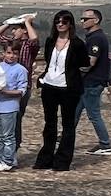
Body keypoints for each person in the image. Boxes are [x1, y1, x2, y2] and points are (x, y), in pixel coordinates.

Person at [34, 9, 89, 172]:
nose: (60, 24)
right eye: (57, 21)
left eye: (64, 21)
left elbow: (84, 62)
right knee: (50, 124)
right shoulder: (51, 40)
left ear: (70, 24)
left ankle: (63, 160)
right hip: (50, 86)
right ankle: (45, 158)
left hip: (68, 88)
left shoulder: (78, 44)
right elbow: (48, 60)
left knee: (68, 125)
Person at [0, 14, 39, 158]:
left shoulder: (29, 45)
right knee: (2, 122)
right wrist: (8, 22)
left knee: (15, 120)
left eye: (16, 29)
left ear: (24, 30)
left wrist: (27, 23)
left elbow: (34, 39)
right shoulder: (12, 43)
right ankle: (0, 150)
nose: (12, 32)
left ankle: (12, 150)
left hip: (21, 87)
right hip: (6, 86)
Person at [0, 42, 28, 172]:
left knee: (8, 136)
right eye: (9, 53)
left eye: (15, 53)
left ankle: (8, 160)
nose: (12, 56)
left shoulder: (21, 70)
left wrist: (5, 92)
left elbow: (21, 91)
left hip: (9, 107)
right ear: (4, 53)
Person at [77, 8, 111, 157]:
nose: (82, 21)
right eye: (82, 19)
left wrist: (74, 70)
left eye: (86, 19)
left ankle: (105, 144)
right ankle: (65, 137)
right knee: (74, 111)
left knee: (94, 114)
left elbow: (90, 62)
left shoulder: (96, 38)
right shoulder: (93, 37)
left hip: (92, 82)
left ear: (96, 20)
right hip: (87, 82)